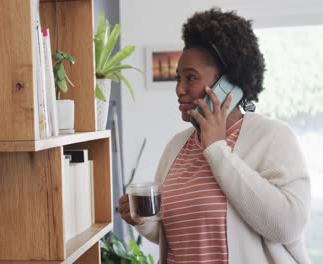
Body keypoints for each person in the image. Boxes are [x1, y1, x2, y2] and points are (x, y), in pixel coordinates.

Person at [118, 8, 311, 264]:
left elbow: (288, 226)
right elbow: (178, 232)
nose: (179, 89)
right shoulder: (176, 147)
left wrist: (218, 149)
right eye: (178, 78)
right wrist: (141, 218)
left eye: (191, 78)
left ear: (228, 84)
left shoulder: (272, 137)